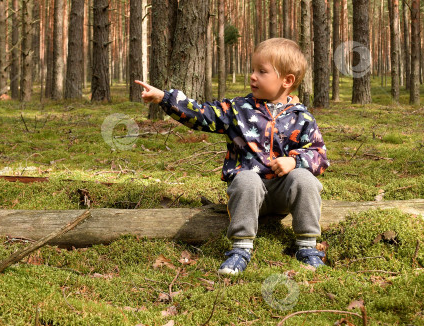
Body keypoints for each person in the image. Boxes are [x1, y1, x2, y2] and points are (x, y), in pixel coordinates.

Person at [135, 37, 329, 275]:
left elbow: (320, 154)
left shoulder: (303, 118)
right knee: (247, 178)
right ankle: (240, 248)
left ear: (287, 81)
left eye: (262, 71)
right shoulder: (237, 110)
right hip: (247, 195)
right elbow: (202, 114)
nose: (252, 76)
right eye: (253, 69)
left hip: (282, 195)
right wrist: (164, 98)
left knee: (305, 178)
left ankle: (307, 247)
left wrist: (295, 160)